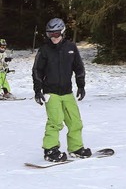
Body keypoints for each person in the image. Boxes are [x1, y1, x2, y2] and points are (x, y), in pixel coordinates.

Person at [32, 18, 91, 162]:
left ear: (63, 32)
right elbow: (37, 71)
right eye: (50, 34)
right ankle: (50, 149)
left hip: (67, 92)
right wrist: (38, 90)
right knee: (55, 121)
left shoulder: (71, 47)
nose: (54, 37)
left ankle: (76, 147)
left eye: (56, 34)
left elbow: (79, 68)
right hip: (50, 92)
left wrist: (81, 85)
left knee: (75, 121)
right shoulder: (44, 50)